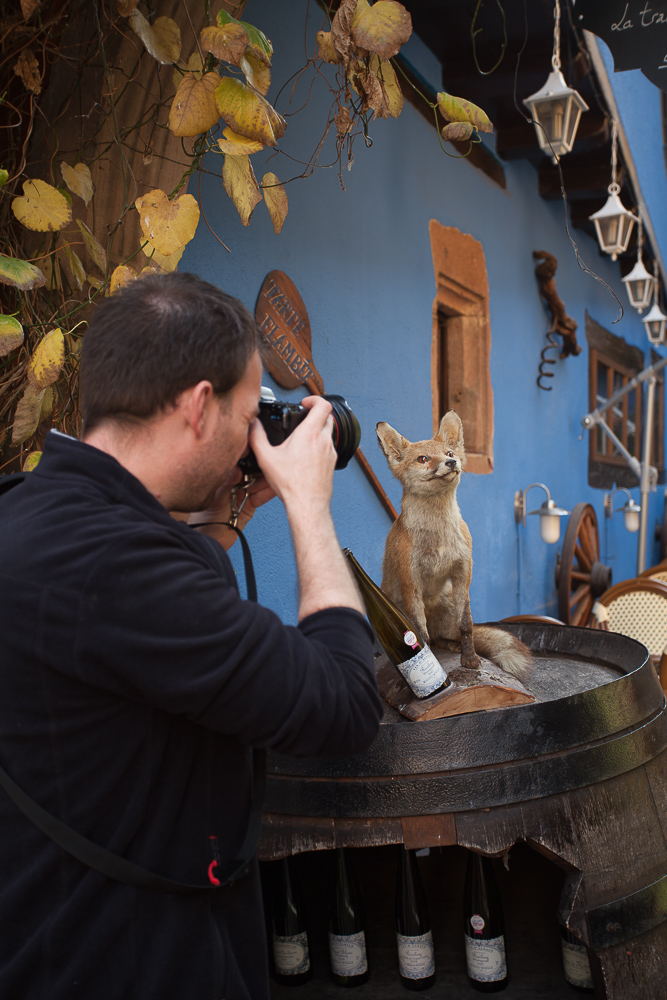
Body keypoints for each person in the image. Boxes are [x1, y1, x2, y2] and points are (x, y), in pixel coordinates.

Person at [0, 272, 382, 1000]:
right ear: (201, 406)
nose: (256, 433)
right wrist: (309, 508)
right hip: (130, 961)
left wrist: (226, 520)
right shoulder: (118, 564)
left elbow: (142, 630)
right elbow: (343, 704)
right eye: (251, 411)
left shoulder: (33, 511)